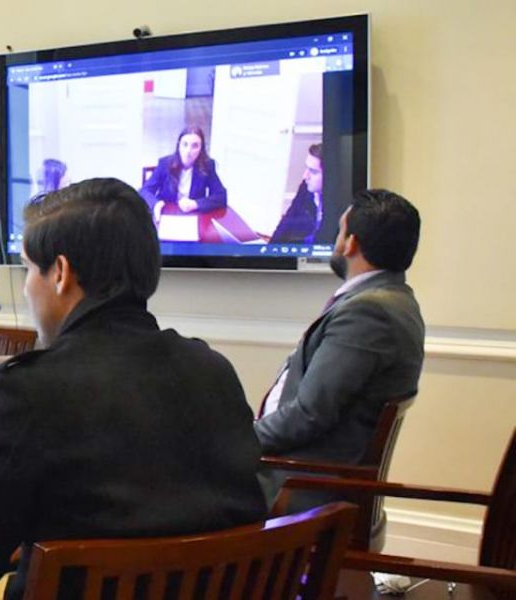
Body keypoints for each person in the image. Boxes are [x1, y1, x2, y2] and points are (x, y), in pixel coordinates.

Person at [0, 178, 267, 600]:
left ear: (61, 274)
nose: (28, 286)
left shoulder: (33, 392)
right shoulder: (214, 370)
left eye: (30, 269)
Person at [256, 189, 424, 508]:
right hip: (308, 475)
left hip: (300, 489)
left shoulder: (367, 313)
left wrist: (238, 442)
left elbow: (308, 415)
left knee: (180, 484)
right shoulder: (395, 299)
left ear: (351, 243)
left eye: (340, 230)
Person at [139, 127, 228, 219]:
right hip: (167, 213)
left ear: (201, 149)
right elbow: (144, 190)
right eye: (185, 144)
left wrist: (196, 204)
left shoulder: (207, 166)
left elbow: (221, 196)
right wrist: (156, 204)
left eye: (195, 146)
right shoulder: (165, 164)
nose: (188, 151)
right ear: (179, 145)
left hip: (193, 215)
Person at [270, 144, 325, 243]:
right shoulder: (306, 187)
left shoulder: (341, 203)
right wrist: (269, 251)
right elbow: (287, 221)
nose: (305, 176)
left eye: (313, 171)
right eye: (306, 168)